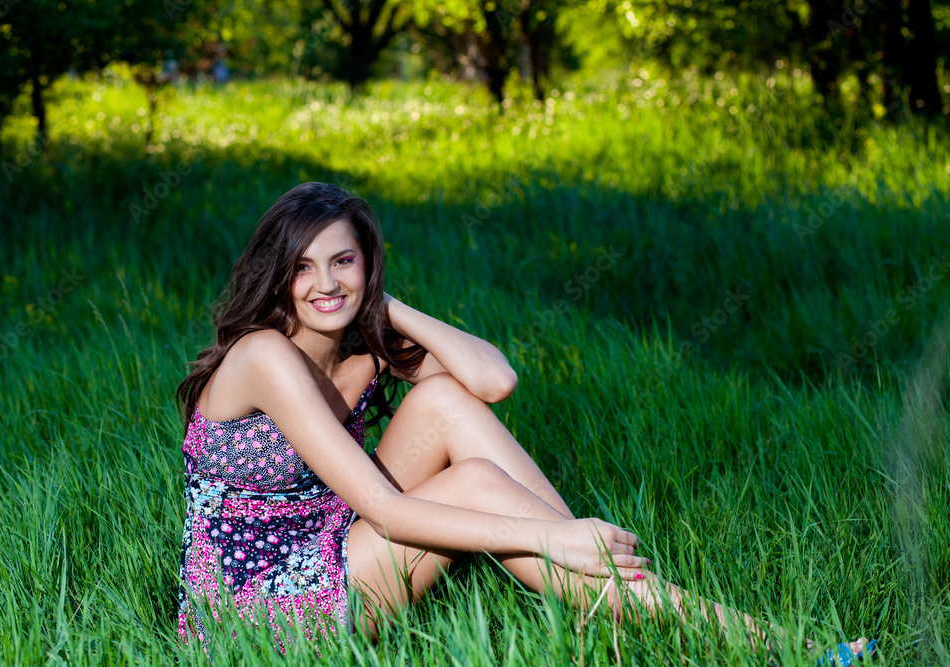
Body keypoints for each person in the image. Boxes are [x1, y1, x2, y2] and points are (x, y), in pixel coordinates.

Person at [175, 182, 874, 664]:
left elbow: (493, 380)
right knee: (478, 481)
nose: (325, 283)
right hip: (257, 612)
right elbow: (383, 508)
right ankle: (759, 642)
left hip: (329, 545)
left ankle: (605, 598)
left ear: (368, 265)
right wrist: (549, 534)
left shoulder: (362, 347)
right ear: (276, 275)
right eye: (303, 267)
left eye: (344, 261)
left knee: (444, 401)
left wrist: (383, 308)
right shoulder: (264, 354)